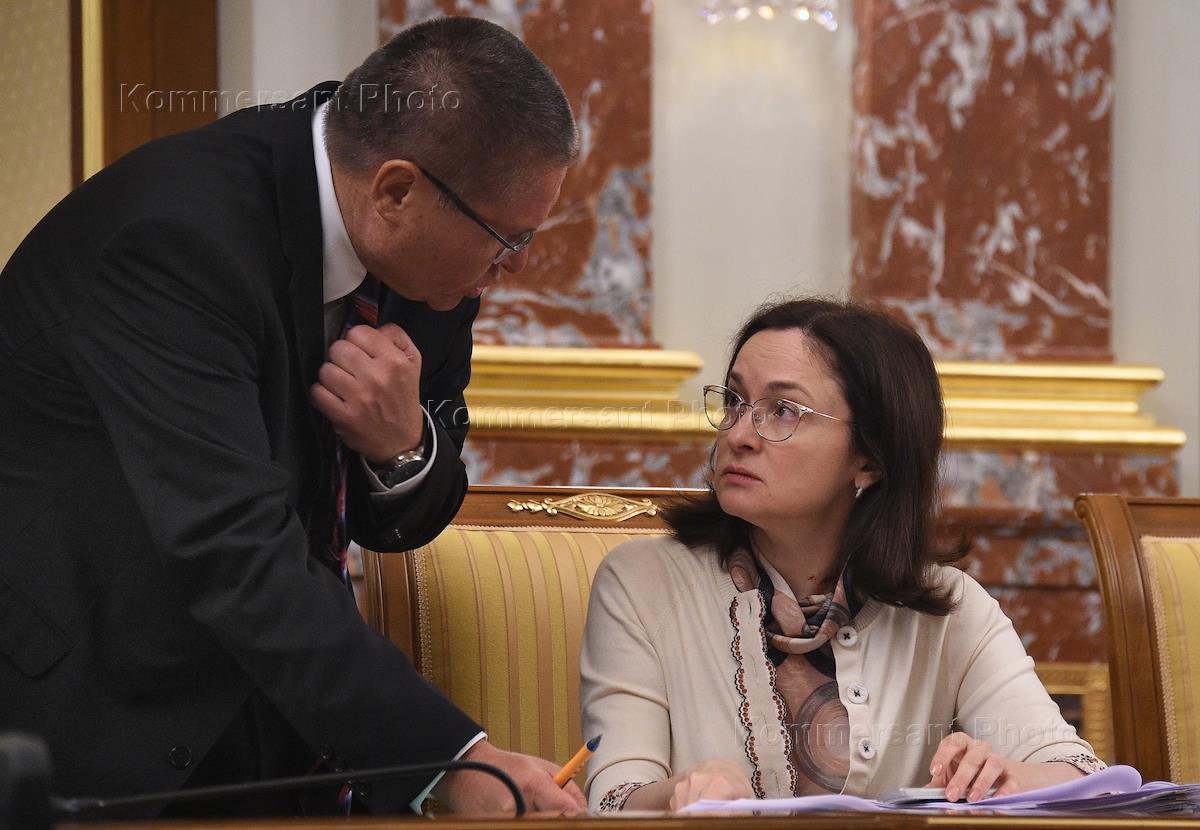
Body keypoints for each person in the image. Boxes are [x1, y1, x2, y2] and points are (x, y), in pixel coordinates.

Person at [0, 16, 584, 818]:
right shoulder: (177, 238)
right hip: (96, 713)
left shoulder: (429, 257)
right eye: (508, 239)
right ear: (396, 192)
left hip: (283, 724)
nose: (513, 267)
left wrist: (404, 448)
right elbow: (231, 548)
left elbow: (406, 511)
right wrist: (453, 764)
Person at [581, 298, 1106, 812]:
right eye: (735, 402)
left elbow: (1082, 775)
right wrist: (681, 790)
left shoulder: (950, 607)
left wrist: (1009, 776)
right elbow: (612, 796)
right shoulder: (641, 582)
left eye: (782, 411)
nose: (738, 435)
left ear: (869, 459)